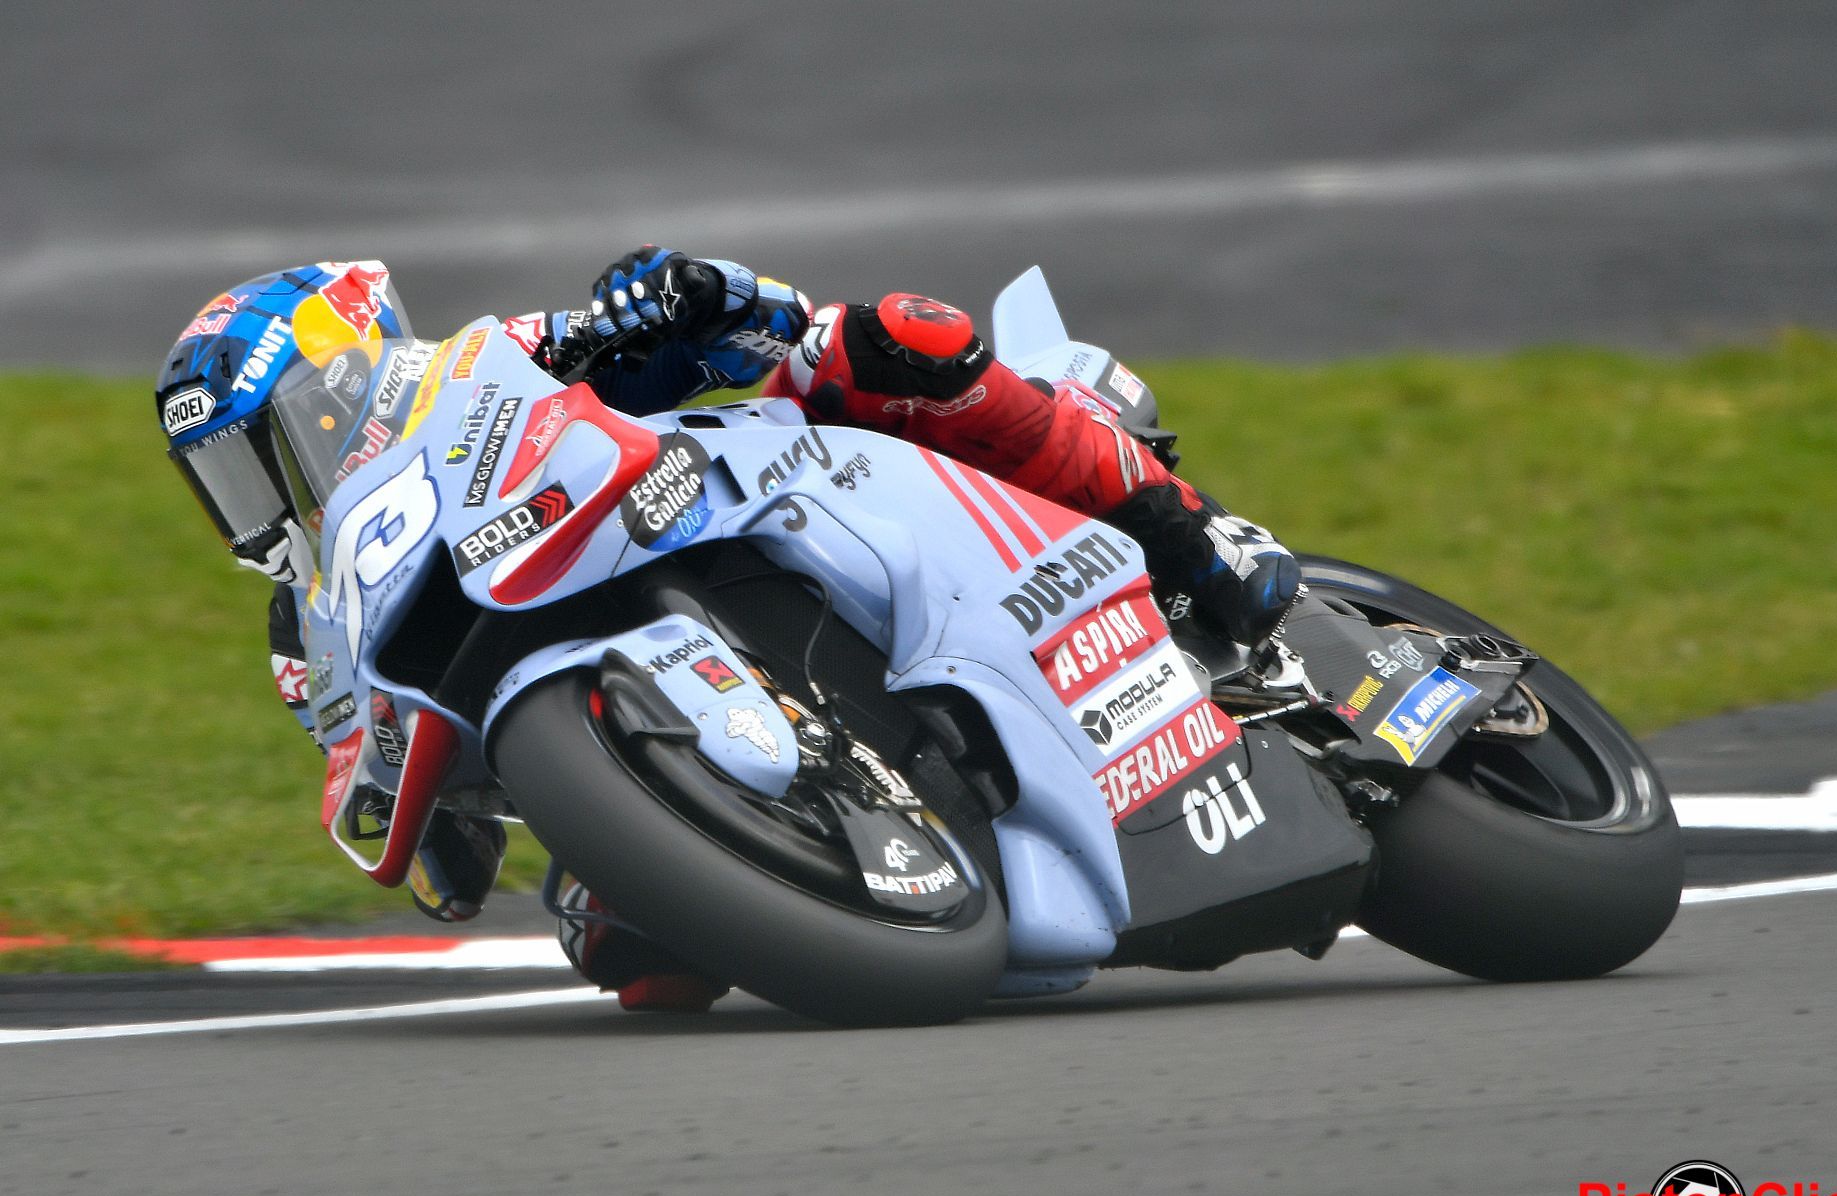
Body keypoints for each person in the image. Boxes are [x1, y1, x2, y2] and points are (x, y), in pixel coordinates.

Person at [156, 251, 1301, 1009]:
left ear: (345, 370)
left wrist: (673, 292)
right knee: (626, 960)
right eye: (227, 481)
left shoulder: (481, 363)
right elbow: (444, 866)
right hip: (627, 726)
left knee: (897, 335)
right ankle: (883, 825)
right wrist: (455, 821)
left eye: (271, 443)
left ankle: (1193, 535)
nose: (264, 498)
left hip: (733, 488)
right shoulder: (311, 633)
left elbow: (708, 312)